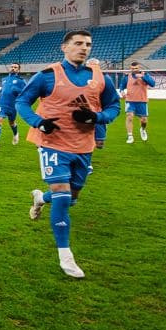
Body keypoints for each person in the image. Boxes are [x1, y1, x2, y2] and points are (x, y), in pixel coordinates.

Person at [17, 30, 121, 279]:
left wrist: (97, 117)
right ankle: (66, 256)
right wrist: (39, 122)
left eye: (88, 44)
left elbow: (114, 106)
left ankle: (40, 198)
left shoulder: (100, 78)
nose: (84, 48)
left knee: (71, 198)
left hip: (83, 146)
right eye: (78, 43)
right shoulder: (47, 75)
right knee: (63, 197)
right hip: (52, 143)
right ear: (64, 47)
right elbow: (22, 102)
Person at [0, 62, 24, 150]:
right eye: (12, 67)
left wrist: (17, 90)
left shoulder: (21, 81)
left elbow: (25, 92)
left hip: (12, 105)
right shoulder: (5, 79)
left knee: (12, 123)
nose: (13, 68)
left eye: (15, 67)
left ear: (18, 70)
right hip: (1, 104)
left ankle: (15, 134)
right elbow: (4, 88)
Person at [123, 62, 157, 143]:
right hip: (130, 100)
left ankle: (143, 129)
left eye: (136, 68)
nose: (134, 70)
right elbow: (122, 86)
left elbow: (152, 84)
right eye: (132, 68)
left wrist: (143, 76)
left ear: (139, 68)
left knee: (144, 120)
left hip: (142, 101)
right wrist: (122, 91)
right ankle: (130, 136)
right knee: (129, 116)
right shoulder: (127, 76)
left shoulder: (145, 75)